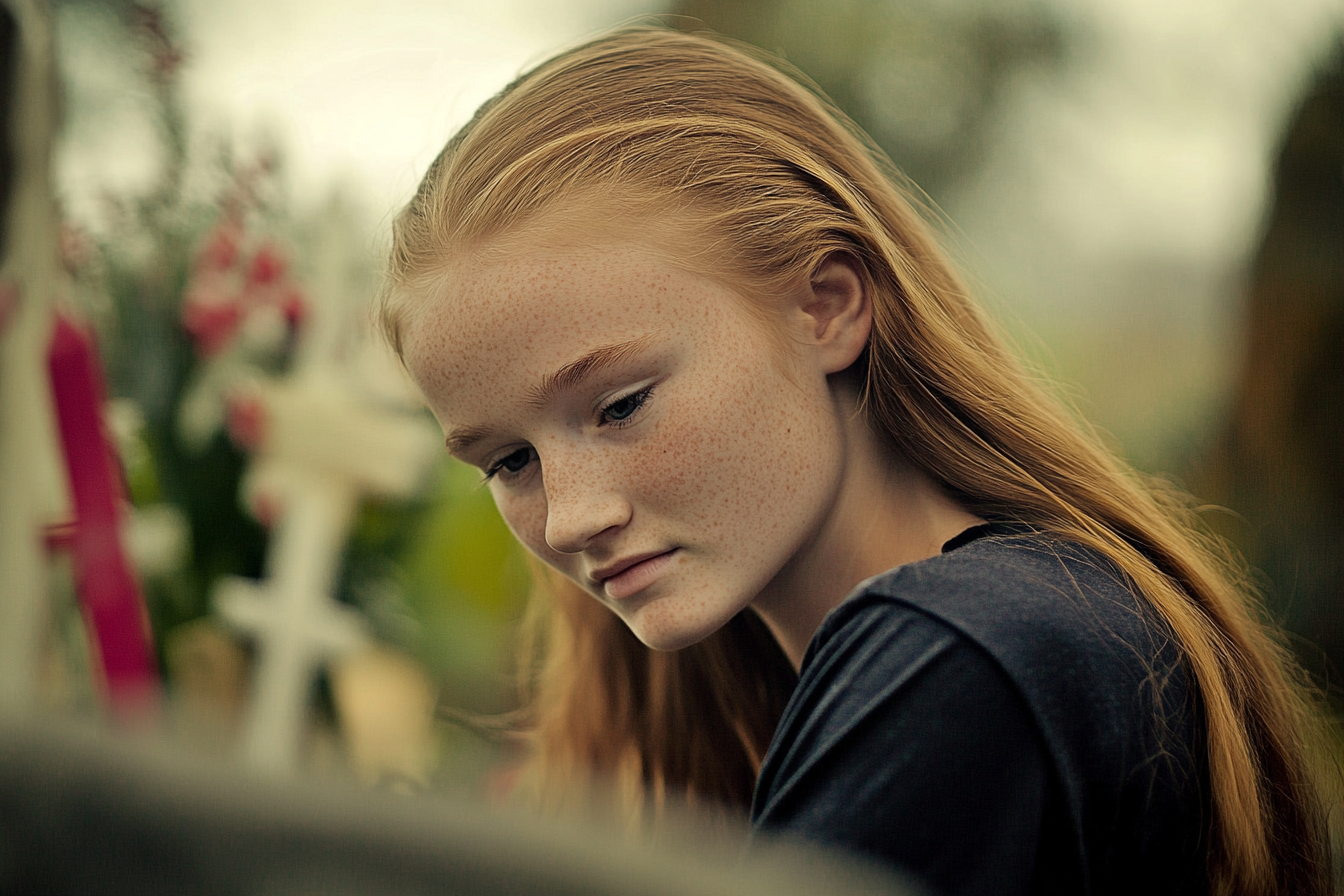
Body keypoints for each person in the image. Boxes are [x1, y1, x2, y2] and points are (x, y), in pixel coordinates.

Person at [378, 24, 1332, 896]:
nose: (569, 517)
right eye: (508, 462)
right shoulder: (1012, 630)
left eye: (621, 405)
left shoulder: (959, 658)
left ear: (827, 306)